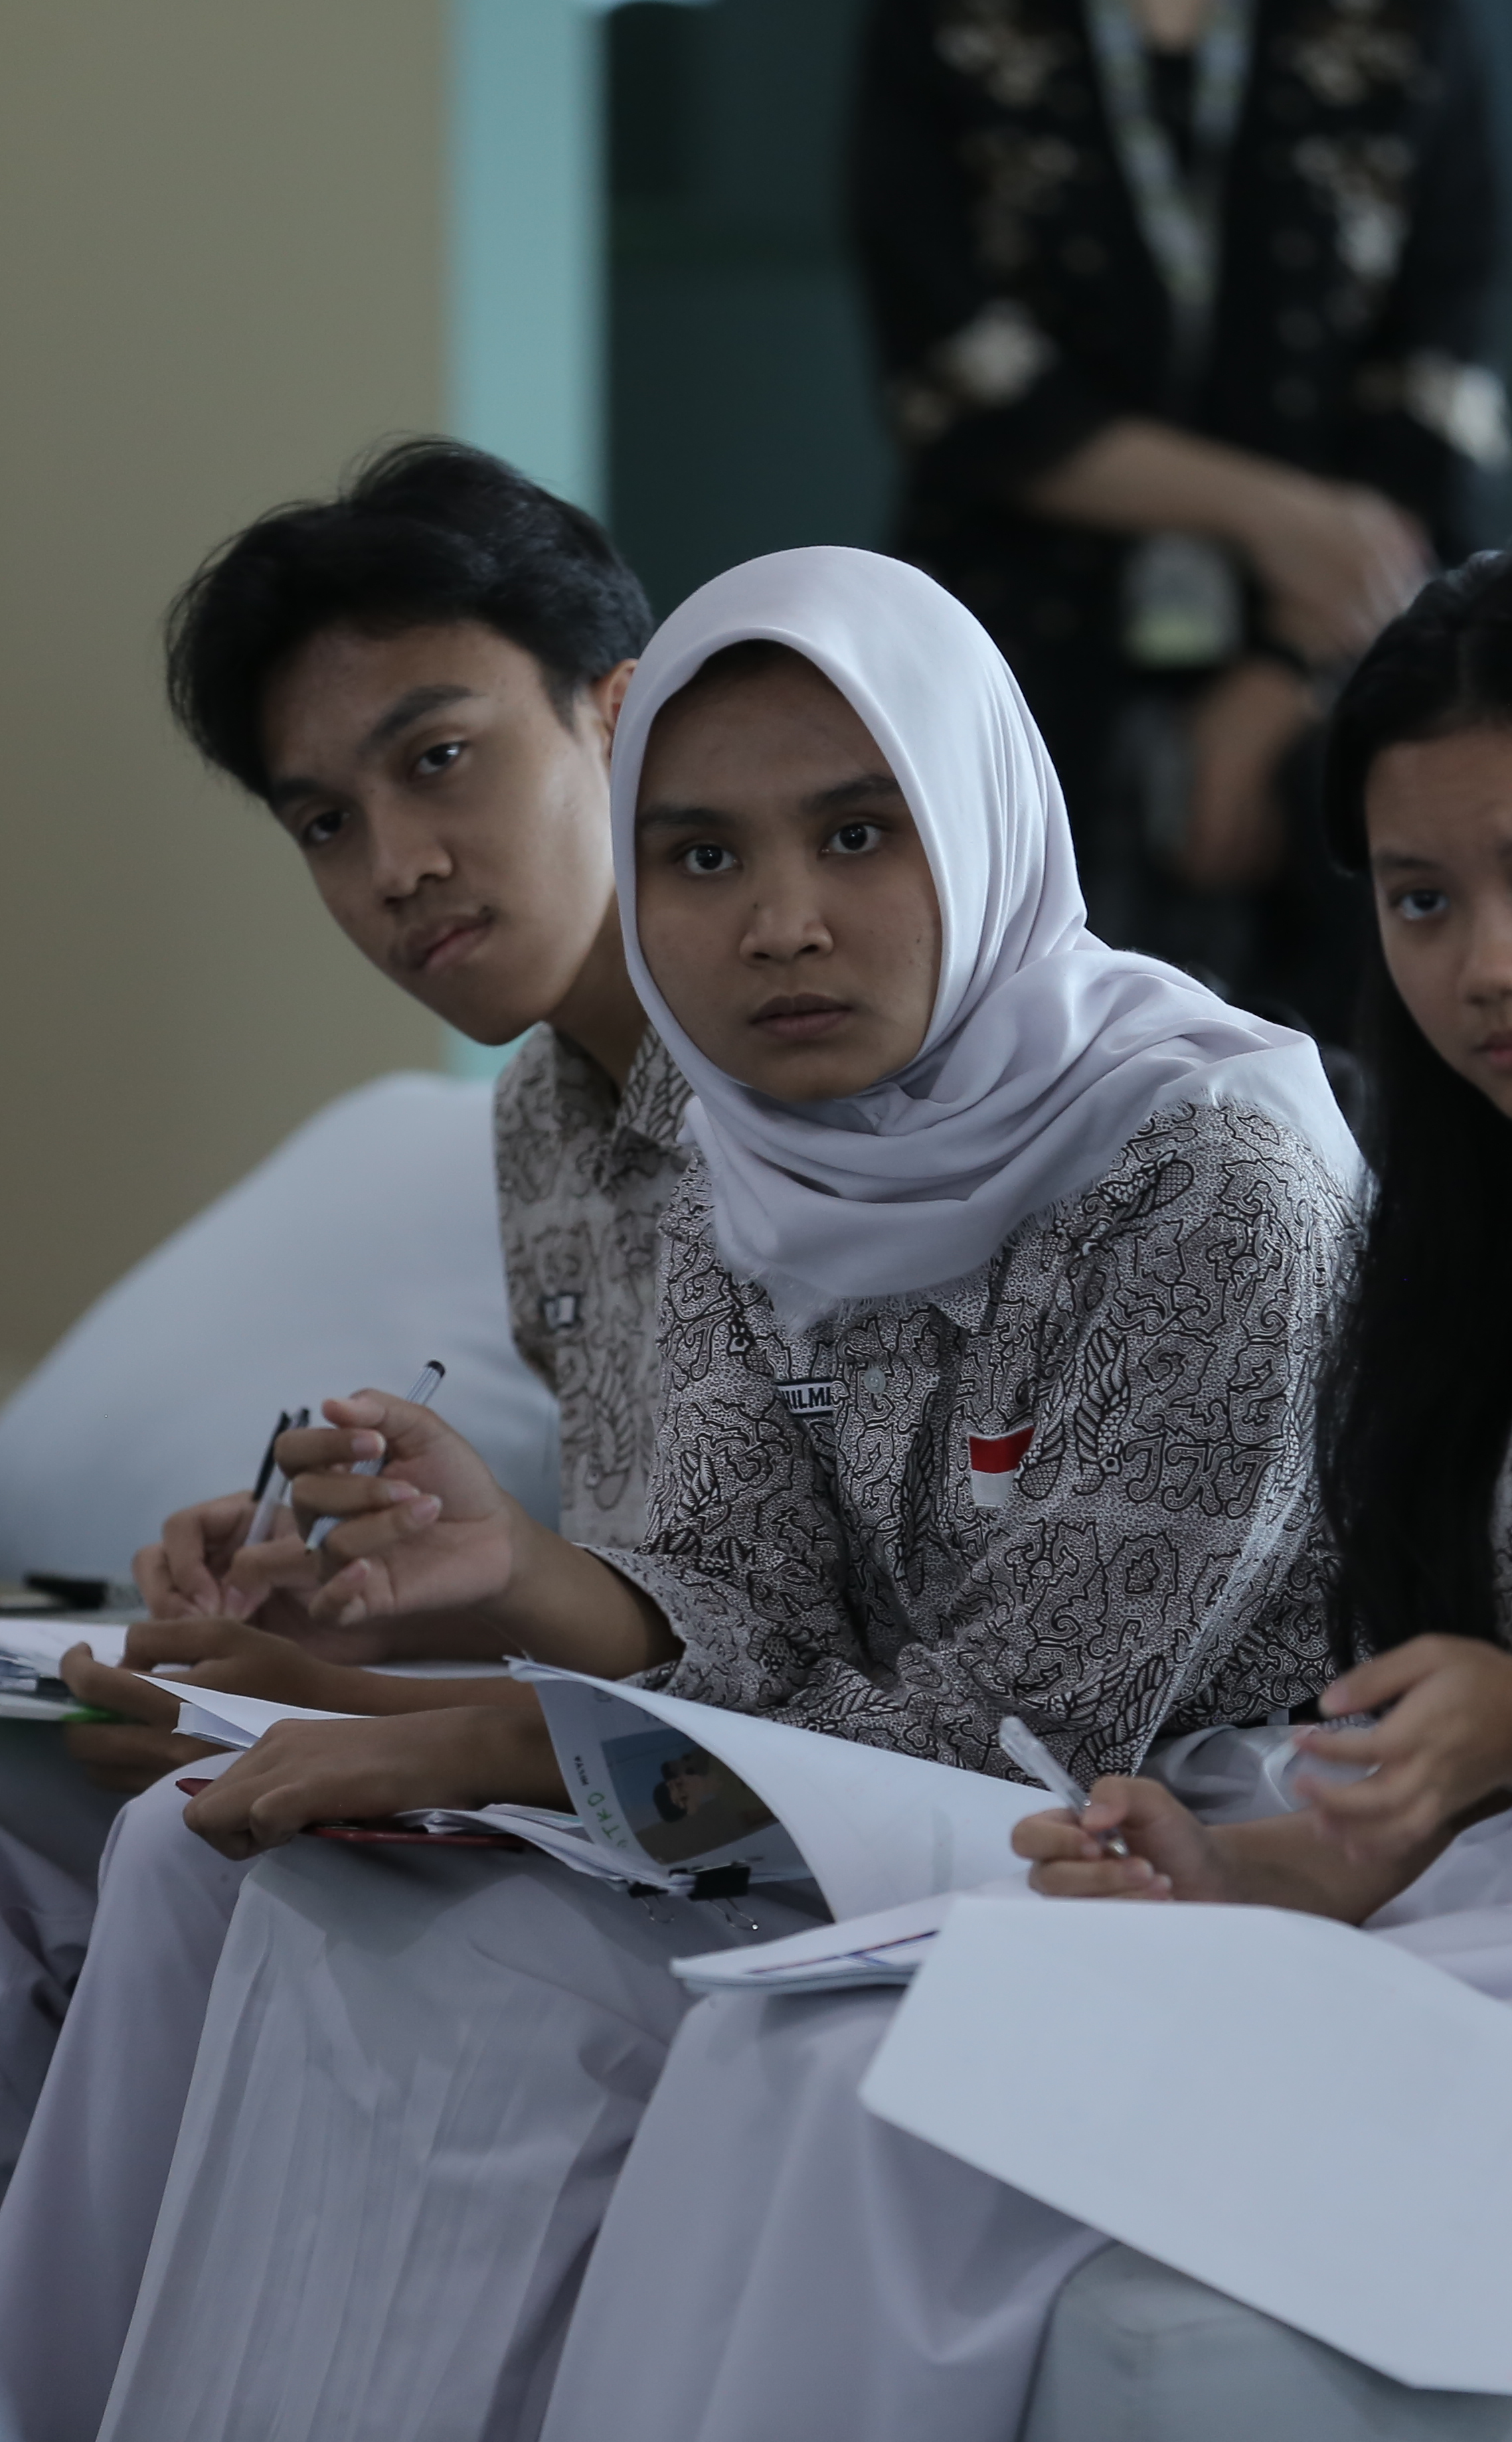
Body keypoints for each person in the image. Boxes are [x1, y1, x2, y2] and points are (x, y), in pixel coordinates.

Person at [540, 541, 1512, 2440]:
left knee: (922, 2107)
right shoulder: (1507, 1218)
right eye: (1421, 898)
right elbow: (1469, 1793)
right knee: (785, 2053)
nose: (1490, 964)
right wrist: (1237, 1871)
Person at [76, 544, 1362, 2442]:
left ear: (985, 815)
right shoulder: (760, 1155)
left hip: (1160, 1837)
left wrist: (505, 1738)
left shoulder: (1212, 1183)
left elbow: (1021, 1734)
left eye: (858, 836)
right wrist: (470, 1614)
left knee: (498, 1976)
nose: (779, 926)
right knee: (309, 1891)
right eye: (698, 857)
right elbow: (736, 1594)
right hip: (837, 1813)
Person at [0, 443, 669, 2392]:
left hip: (741, 1787)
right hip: (611, 1727)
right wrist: (325, 1621)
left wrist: (374, 1693)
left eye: (439, 759)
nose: (394, 866)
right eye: (325, 819)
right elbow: (635, 1573)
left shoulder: (818, 1078)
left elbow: (777, 1632)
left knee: (186, 1829)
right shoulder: (545, 1126)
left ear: (619, 709)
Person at [851, 0, 1510, 1035]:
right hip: (1020, 648)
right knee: (1016, 1031)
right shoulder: (944, 24)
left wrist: (1284, 677)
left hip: (1339, 656)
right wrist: (1274, 516)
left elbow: (1437, 395)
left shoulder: (1402, 26)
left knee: (1360, 1036)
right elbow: (957, 376)